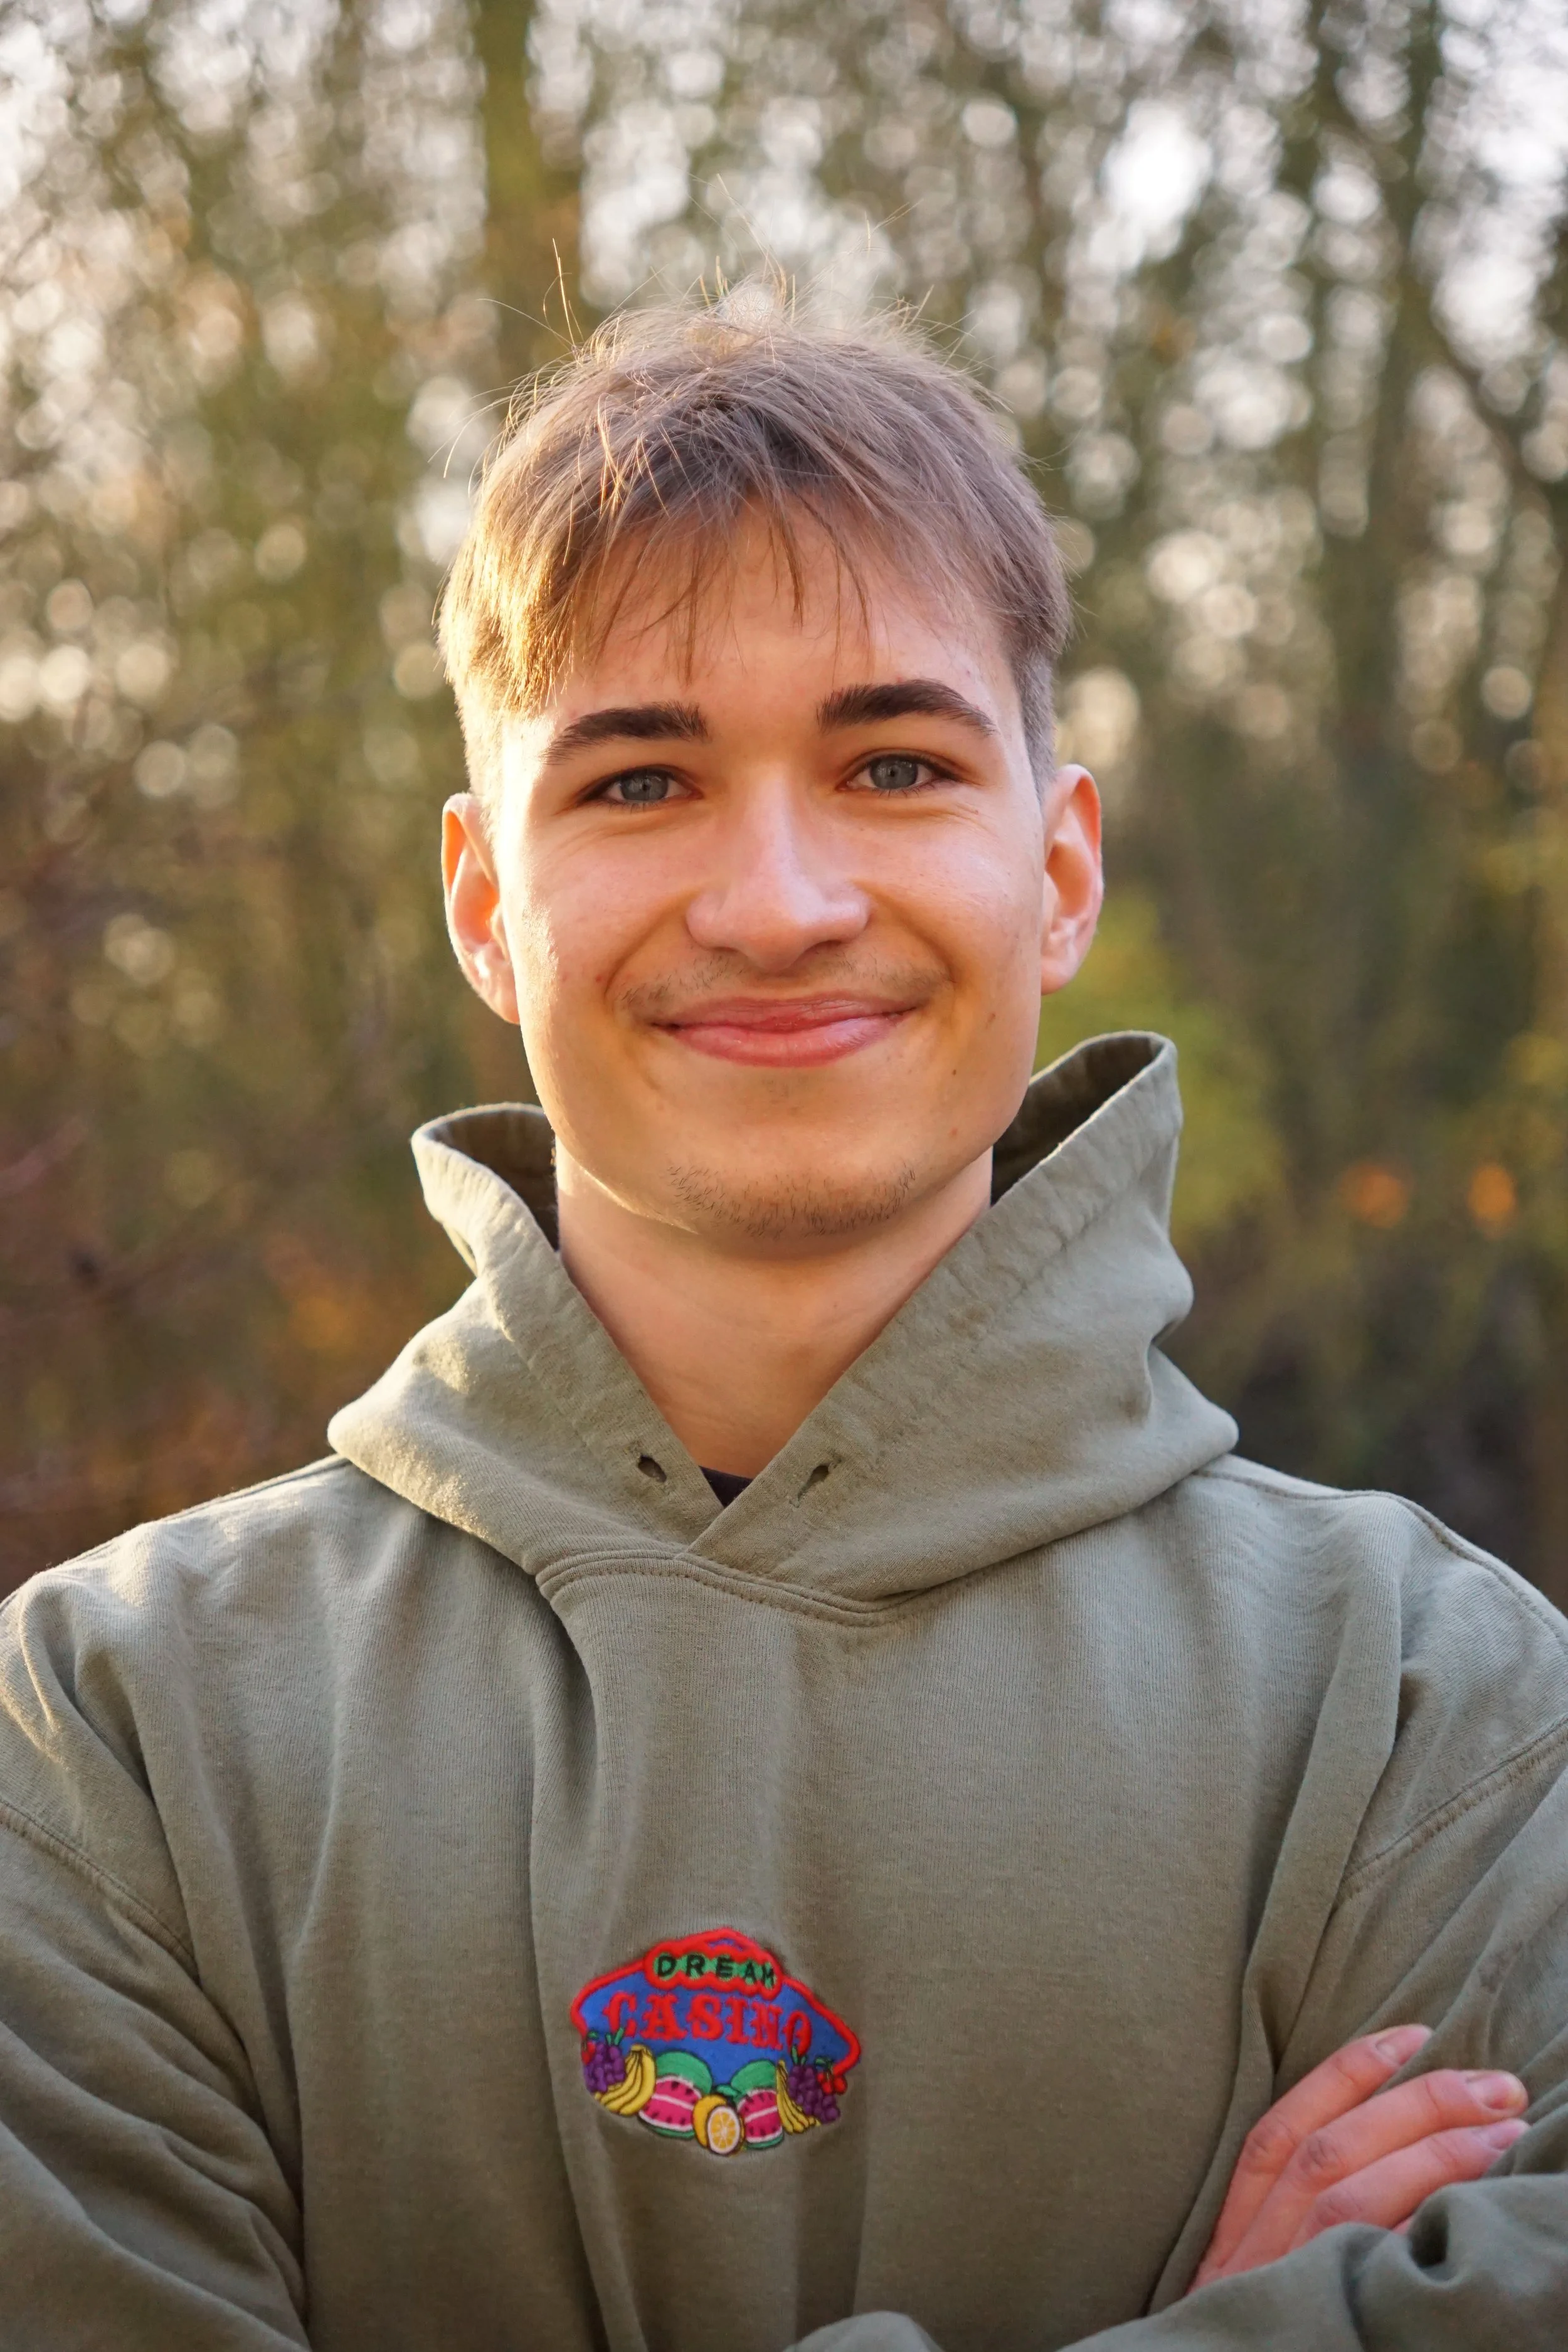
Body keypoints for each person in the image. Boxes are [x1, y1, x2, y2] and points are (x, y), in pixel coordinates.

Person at [1, 300, 1564, 2352]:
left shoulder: (1432, 1713)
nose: (776, 897)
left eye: (893, 761)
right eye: (642, 778)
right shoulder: (107, 1741)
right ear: (484, 903)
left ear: (1058, 862)